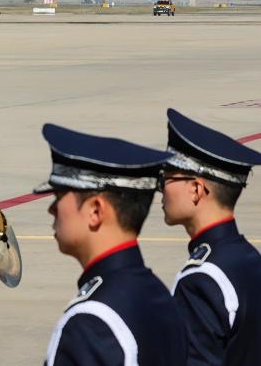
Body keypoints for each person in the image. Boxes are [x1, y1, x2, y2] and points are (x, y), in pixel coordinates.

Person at [36, 123, 187, 365]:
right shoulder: (159, 297)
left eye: (60, 195)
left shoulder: (90, 323)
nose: (51, 209)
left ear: (95, 211)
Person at [161, 108, 261, 364]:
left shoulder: (200, 281)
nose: (161, 189)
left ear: (196, 189)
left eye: (167, 177)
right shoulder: (250, 259)